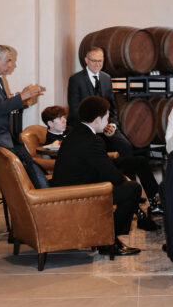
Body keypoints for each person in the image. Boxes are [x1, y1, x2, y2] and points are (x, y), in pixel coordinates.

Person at [52, 96, 142, 257]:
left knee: (124, 183)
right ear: (98, 119)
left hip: (66, 188)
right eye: (106, 117)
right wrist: (124, 179)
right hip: (77, 194)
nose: (108, 121)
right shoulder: (92, 140)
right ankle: (108, 240)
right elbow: (113, 175)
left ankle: (106, 237)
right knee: (133, 189)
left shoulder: (75, 132)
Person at [0, 44, 48, 189]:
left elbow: (2, 105)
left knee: (28, 161)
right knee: (24, 163)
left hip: (1, 136)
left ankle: (43, 195)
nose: (11, 65)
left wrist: (23, 98)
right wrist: (21, 97)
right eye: (9, 61)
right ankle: (41, 195)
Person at [67, 45, 133, 157]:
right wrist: (95, 126)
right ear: (86, 60)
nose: (97, 64)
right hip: (84, 127)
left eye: (100, 61)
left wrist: (112, 125)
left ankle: (122, 169)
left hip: (105, 125)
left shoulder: (106, 78)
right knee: (97, 147)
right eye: (94, 61)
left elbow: (112, 107)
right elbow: (74, 110)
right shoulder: (75, 79)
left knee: (126, 146)